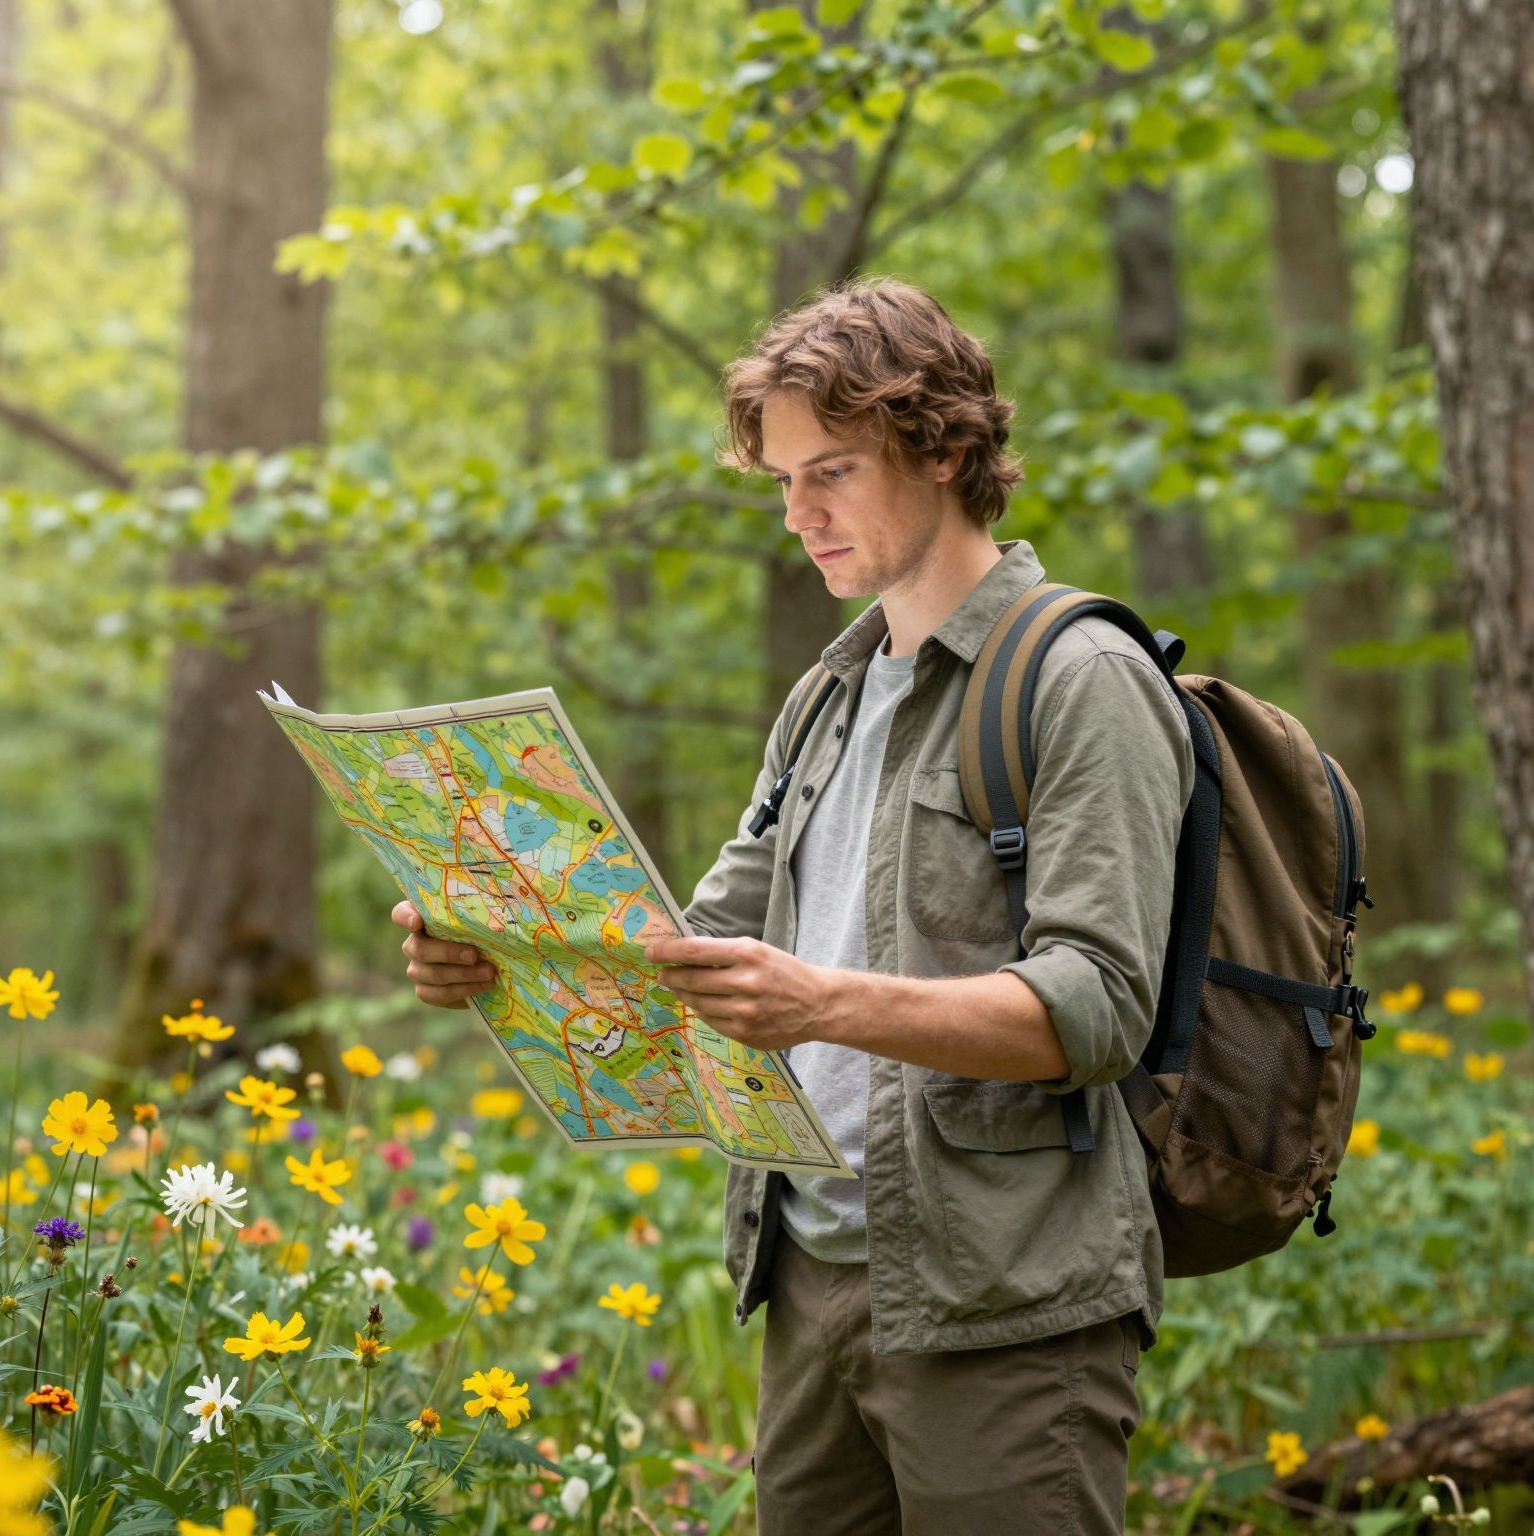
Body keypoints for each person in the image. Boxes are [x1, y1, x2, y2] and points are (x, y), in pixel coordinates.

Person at [393, 276, 1193, 1534]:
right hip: (808, 1271)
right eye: (779, 482)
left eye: (830, 473)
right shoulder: (825, 697)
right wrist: (494, 954)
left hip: (1003, 1301)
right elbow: (692, 945)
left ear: (939, 449)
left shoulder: (1080, 680)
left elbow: (1097, 1009)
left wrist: (822, 1003)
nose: (796, 515)